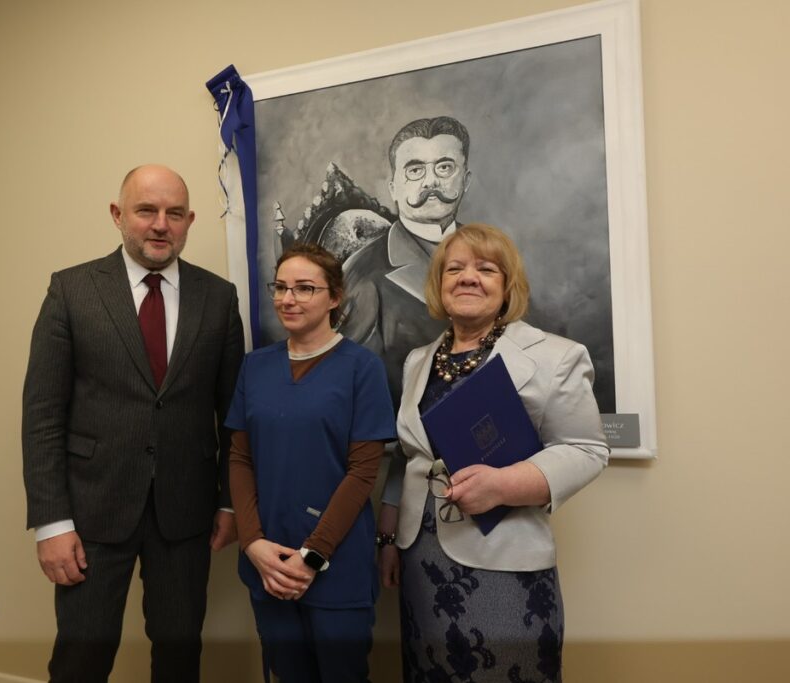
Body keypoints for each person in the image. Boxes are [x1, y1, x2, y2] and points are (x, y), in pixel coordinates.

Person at [21, 164, 245, 683]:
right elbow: (42, 415)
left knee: (179, 656)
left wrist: (229, 500)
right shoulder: (71, 290)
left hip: (185, 513)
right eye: (146, 210)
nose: (161, 224)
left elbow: (232, 414)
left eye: (174, 213)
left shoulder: (218, 298)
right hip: (92, 513)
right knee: (80, 661)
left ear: (190, 221)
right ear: (118, 215)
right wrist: (52, 523)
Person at [376, 223, 608, 682]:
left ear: (507, 286)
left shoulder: (555, 356)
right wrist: (388, 539)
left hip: (504, 560)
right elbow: (409, 455)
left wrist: (503, 485)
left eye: (485, 269)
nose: (468, 277)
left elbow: (586, 449)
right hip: (421, 560)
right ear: (439, 283)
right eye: (454, 269)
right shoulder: (418, 360)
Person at [225, 243, 397, 682]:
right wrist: (253, 543)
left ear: (335, 297)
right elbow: (240, 459)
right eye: (281, 287)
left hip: (335, 564)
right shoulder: (255, 367)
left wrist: (313, 555)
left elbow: (363, 473)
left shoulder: (362, 369)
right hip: (268, 561)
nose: (288, 299)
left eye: (305, 288)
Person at [340, 116, 473, 403]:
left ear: (466, 180)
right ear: (393, 189)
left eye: (445, 167)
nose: (431, 181)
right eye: (415, 170)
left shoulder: (491, 253)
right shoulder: (363, 274)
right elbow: (356, 387)